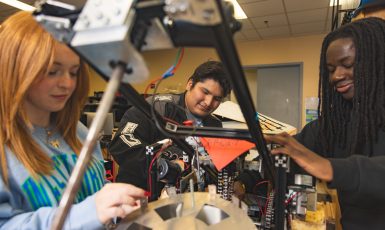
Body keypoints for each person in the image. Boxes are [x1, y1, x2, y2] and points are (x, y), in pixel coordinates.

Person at [0, 12, 146, 229]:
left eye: (74, 72)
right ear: (17, 70)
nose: (67, 83)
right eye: (53, 71)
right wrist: (85, 214)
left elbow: (95, 192)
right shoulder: (6, 148)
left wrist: (115, 207)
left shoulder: (79, 132)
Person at [264, 17, 385, 229]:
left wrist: (330, 168)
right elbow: (292, 150)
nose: (337, 76)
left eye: (348, 64)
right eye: (330, 69)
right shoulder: (334, 125)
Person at [108, 61, 232, 196]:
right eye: (205, 92)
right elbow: (121, 146)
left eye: (217, 98)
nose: (208, 102)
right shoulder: (155, 109)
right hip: (140, 200)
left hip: (189, 202)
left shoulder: (214, 126)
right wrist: (166, 166)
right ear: (190, 84)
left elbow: (220, 166)